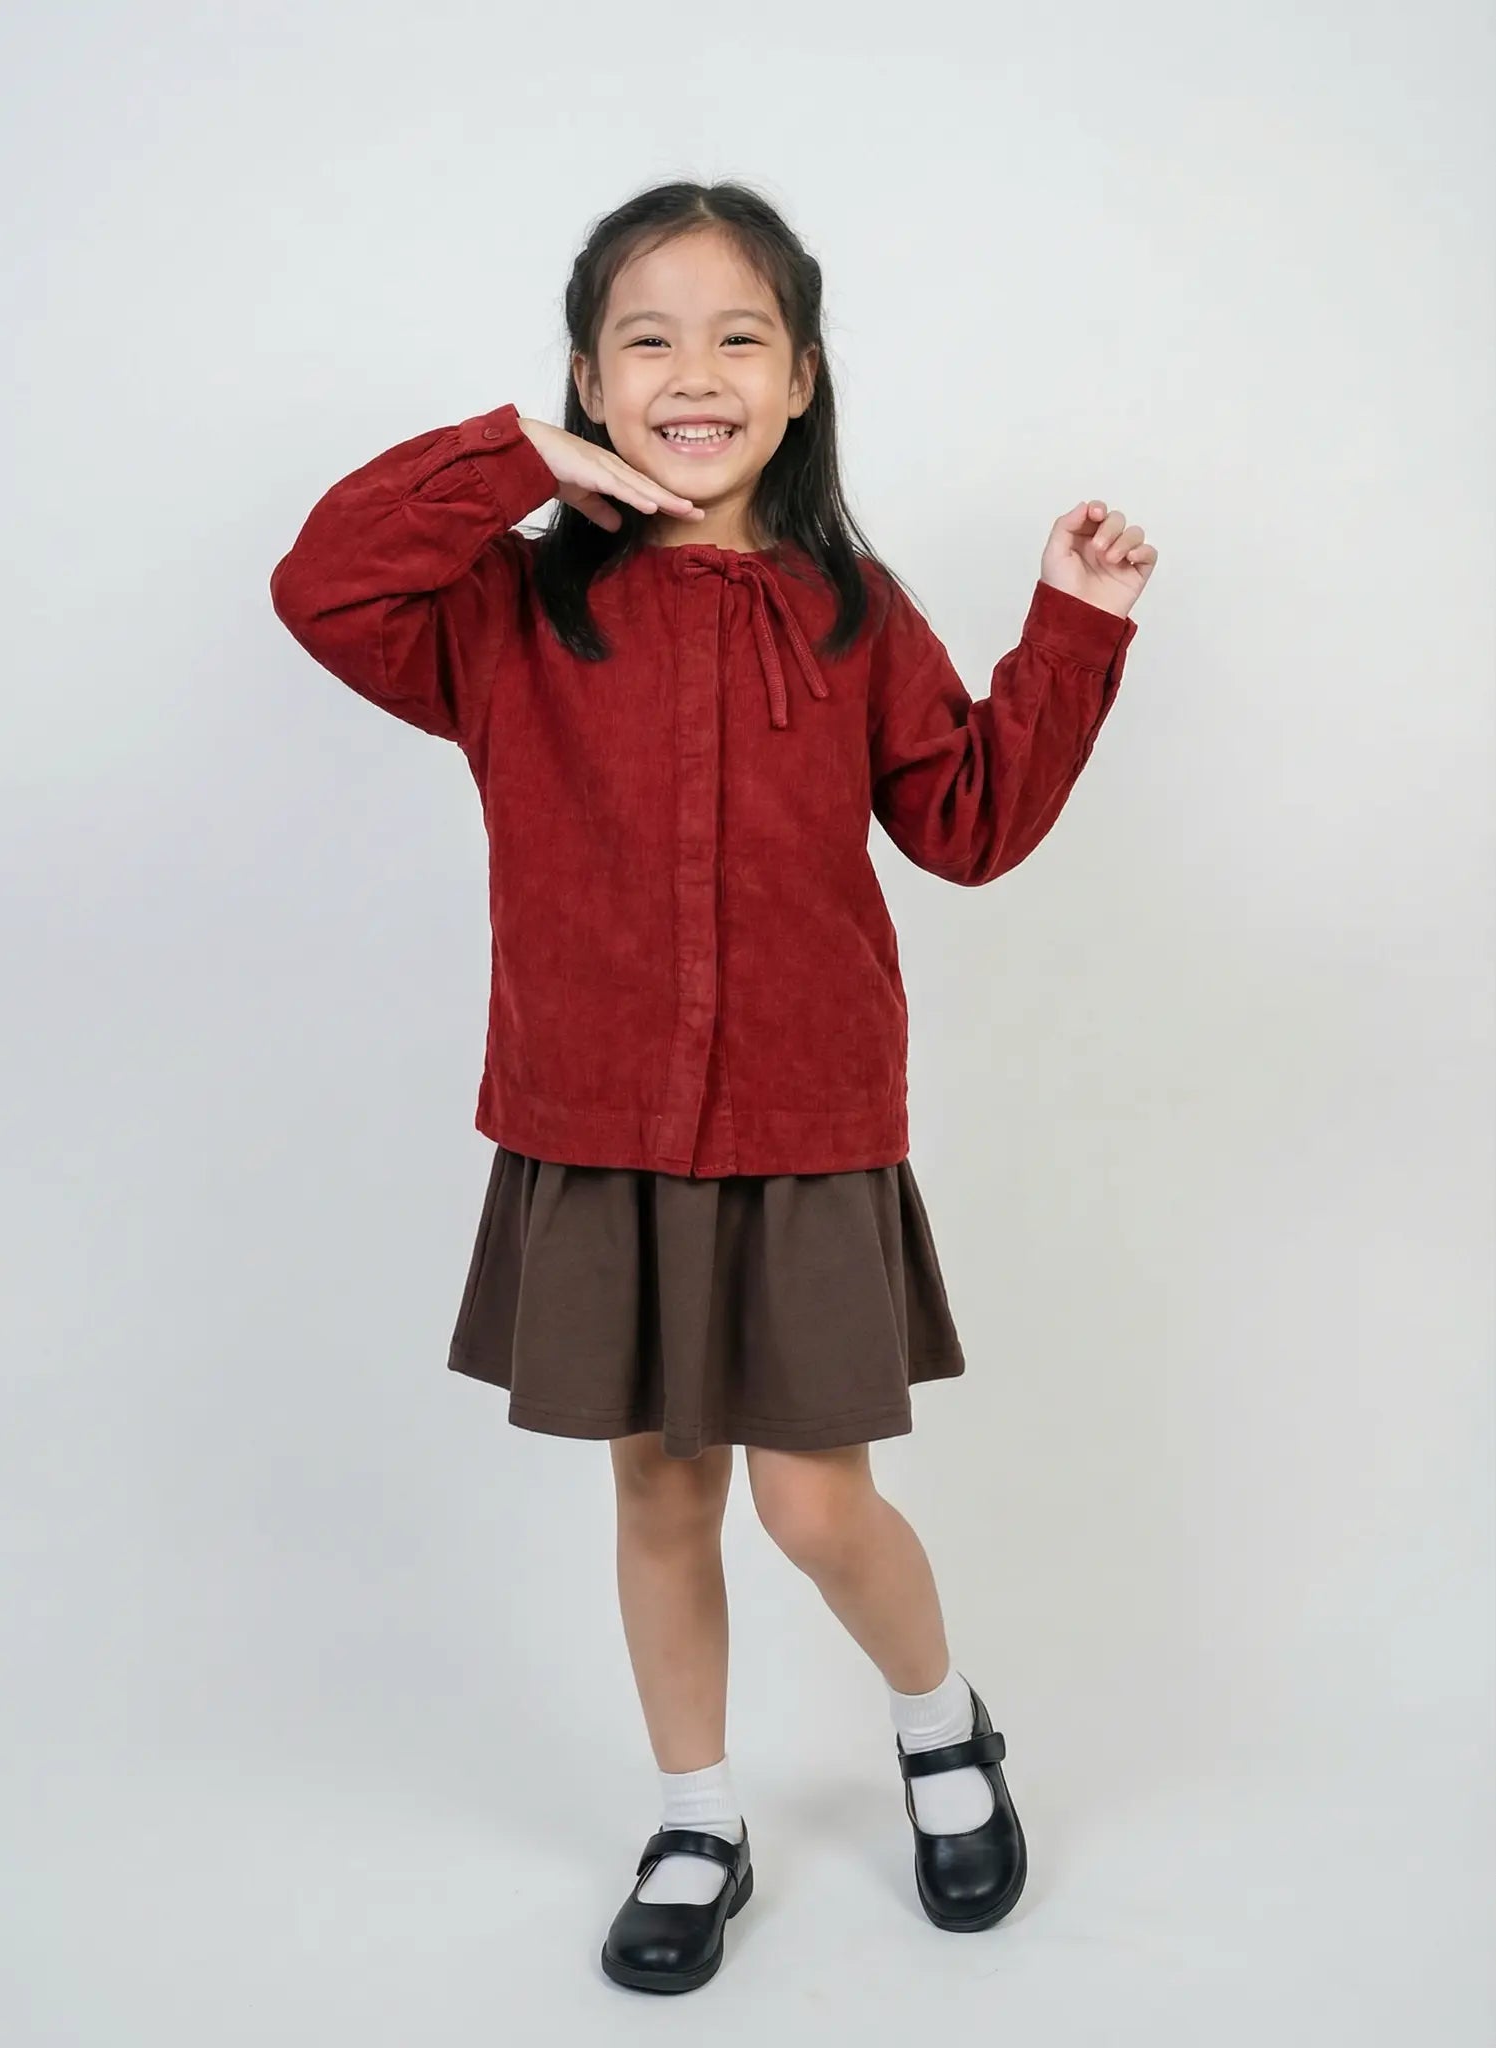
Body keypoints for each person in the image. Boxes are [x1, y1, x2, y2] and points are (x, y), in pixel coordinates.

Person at [269, 178, 1154, 1996]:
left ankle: (938, 1728)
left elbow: (969, 826)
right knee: (660, 1495)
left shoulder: (846, 609)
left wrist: (1068, 630)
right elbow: (324, 577)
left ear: (803, 376)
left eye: (738, 333)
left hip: (806, 1127)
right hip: (593, 1125)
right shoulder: (506, 611)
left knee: (815, 1505)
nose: (694, 372)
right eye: (643, 339)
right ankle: (695, 1815)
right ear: (584, 378)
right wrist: (504, 458)